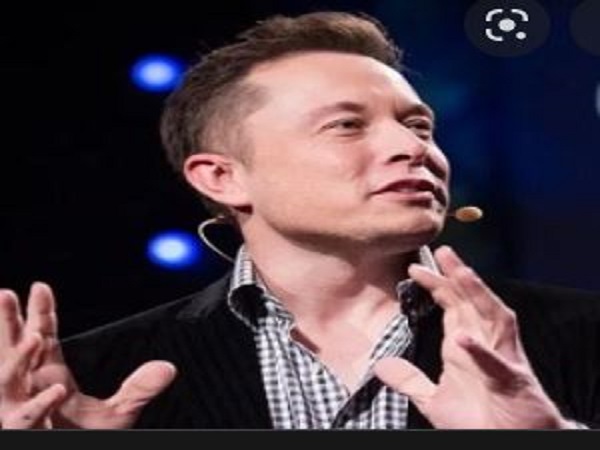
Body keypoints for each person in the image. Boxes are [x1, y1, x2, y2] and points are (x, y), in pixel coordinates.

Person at [1, 11, 599, 430]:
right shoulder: (93, 378)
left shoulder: (581, 336)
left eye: (418, 125)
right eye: (347, 125)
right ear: (221, 177)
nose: (413, 148)